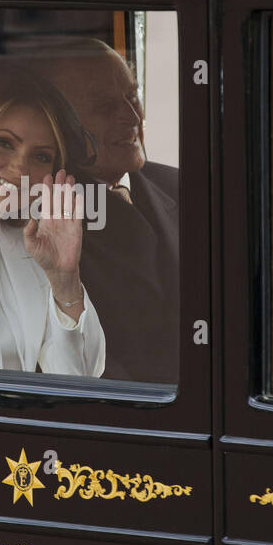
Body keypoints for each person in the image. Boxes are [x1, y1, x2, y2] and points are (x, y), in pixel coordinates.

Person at [0, 75, 106, 377]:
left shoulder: (28, 246)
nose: (21, 168)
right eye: (4, 143)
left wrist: (64, 278)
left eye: (40, 156)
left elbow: (81, 376)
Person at [41, 39, 179, 383]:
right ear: (61, 124)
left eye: (133, 97)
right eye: (105, 107)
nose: (133, 117)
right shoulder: (45, 220)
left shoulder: (183, 185)